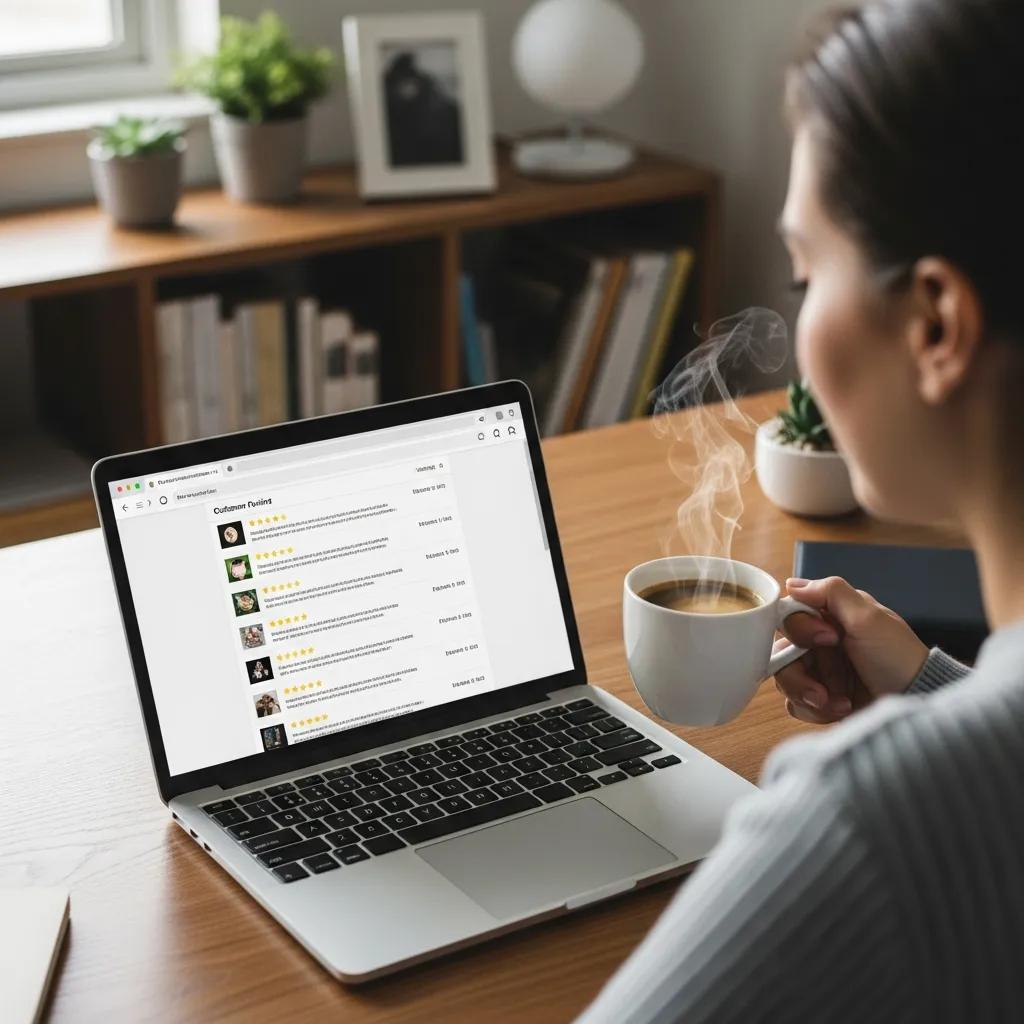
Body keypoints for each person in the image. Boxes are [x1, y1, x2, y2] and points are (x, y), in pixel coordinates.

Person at [579, 0, 1024, 1020]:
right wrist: (926, 689)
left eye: (805, 270)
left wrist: (897, 764)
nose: (796, 315)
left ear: (937, 325)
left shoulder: (863, 828)